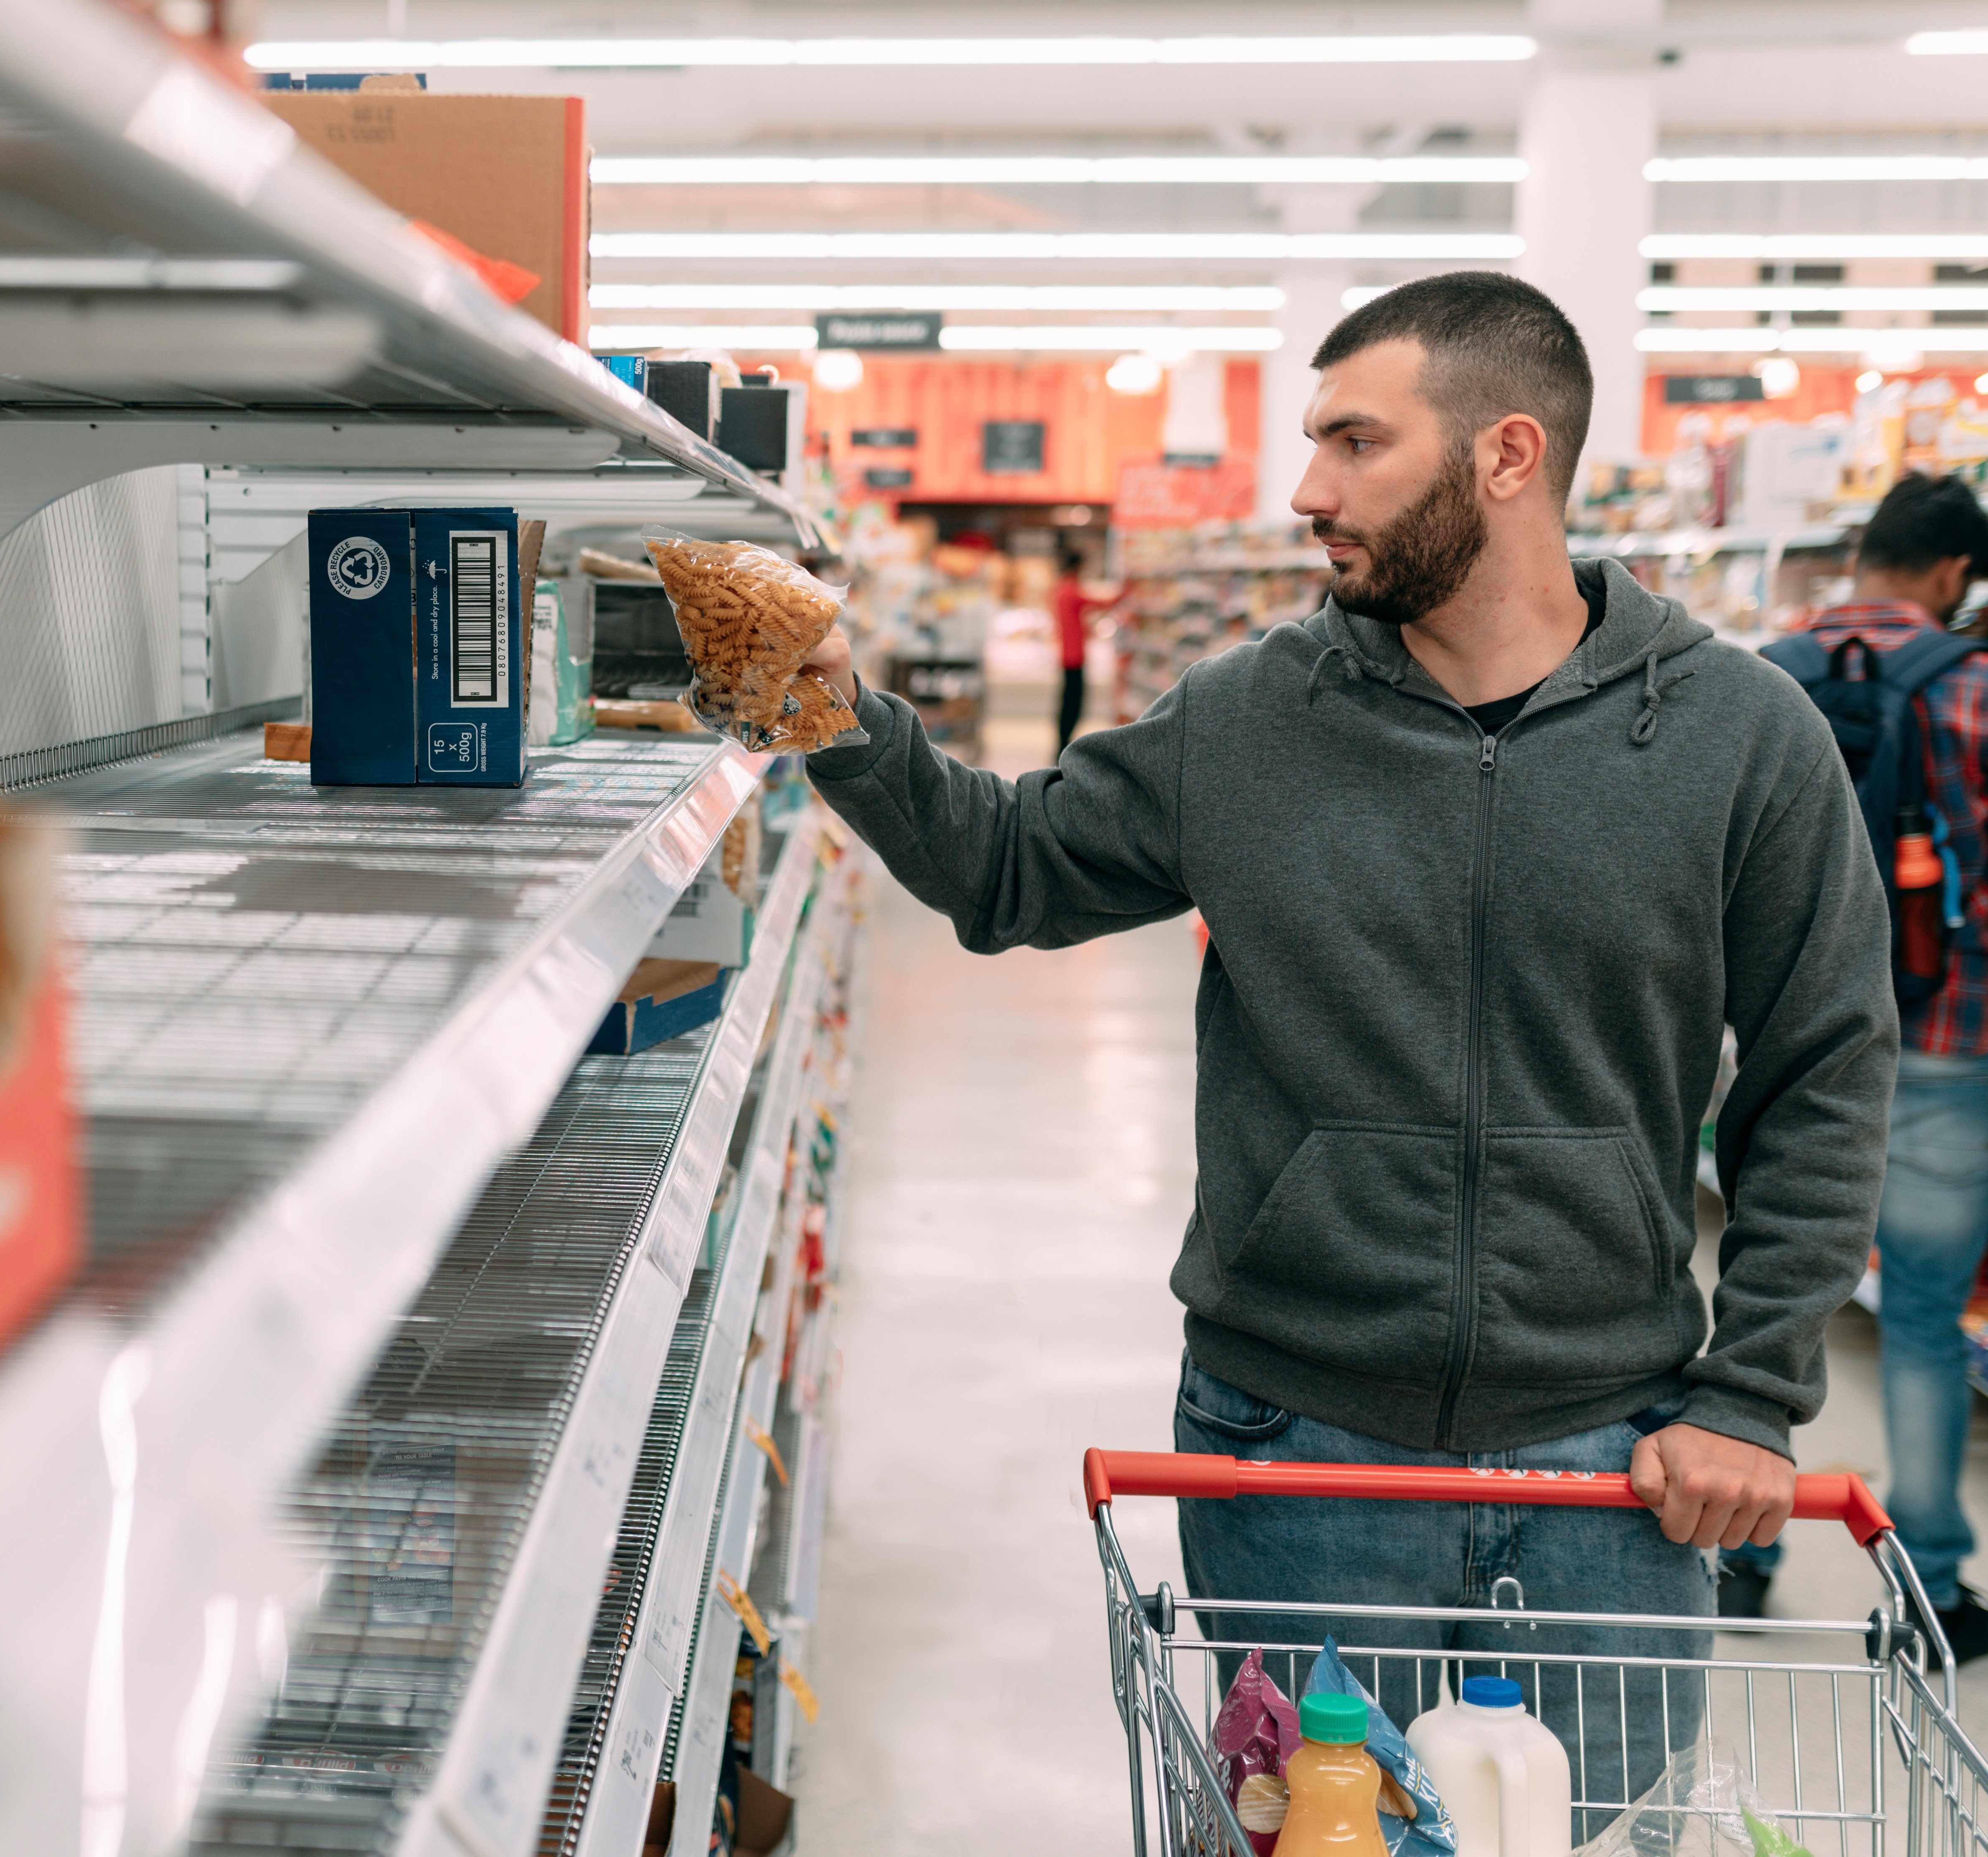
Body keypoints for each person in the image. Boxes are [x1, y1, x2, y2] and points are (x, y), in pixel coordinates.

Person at [795, 271, 1894, 1833]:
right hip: (1291, 1443)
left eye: (1351, 442)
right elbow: (1005, 868)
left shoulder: (1736, 734)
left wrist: (1750, 1391)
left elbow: (1824, 1061)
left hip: (1615, 1455)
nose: (1305, 491)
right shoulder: (1248, 717)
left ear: (1503, 456)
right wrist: (831, 710)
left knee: (1587, 1832)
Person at [1717, 472, 1988, 1661]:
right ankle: (1929, 1595)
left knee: (1772, 1300)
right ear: (1956, 575)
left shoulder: (1752, 678)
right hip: (1943, 1043)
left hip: (1784, 1048)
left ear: (1863, 555)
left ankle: (1740, 1556)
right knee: (1918, 1319)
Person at [1052, 546, 1097, 754]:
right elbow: (1097, 602)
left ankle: (1062, 740)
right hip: (1075, 656)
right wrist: (1125, 592)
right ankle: (1064, 742)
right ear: (1078, 566)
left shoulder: (1061, 588)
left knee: (1067, 701)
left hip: (1067, 654)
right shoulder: (1071, 589)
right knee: (1073, 703)